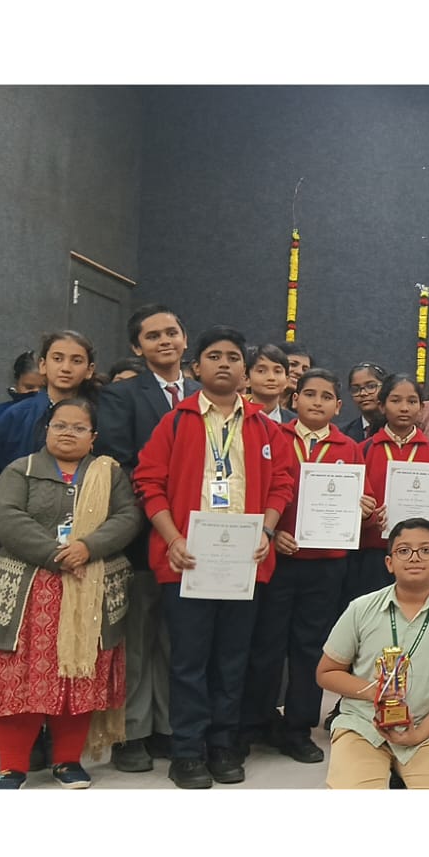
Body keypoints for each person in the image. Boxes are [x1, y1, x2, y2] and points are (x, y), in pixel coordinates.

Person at [132, 325, 296, 788]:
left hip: (244, 561)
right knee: (188, 661)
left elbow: (282, 483)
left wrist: (267, 529)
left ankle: (224, 745)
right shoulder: (176, 422)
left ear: (245, 371)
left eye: (233, 357)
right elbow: (148, 483)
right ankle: (187, 751)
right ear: (196, 367)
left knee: (232, 659)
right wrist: (172, 539)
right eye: (214, 356)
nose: (224, 363)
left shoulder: (265, 427)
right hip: (188, 560)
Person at [0, 397, 142, 789]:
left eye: (79, 427)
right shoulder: (21, 470)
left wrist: (88, 547)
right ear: (46, 430)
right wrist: (55, 554)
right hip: (27, 593)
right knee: (18, 680)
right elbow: (4, 516)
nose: (68, 433)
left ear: (93, 437)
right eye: (60, 425)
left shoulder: (108, 474)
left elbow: (127, 517)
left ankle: (68, 761)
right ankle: (12, 767)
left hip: (88, 588)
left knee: (78, 677)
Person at [241, 368, 368, 764]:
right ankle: (258, 722)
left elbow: (362, 499)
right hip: (278, 559)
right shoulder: (274, 437)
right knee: (266, 646)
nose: (317, 402)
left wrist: (362, 508)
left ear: (338, 406)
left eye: (326, 396)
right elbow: (261, 492)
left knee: (310, 649)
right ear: (294, 399)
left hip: (326, 566)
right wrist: (274, 532)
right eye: (310, 394)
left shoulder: (349, 447)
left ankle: (298, 728)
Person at [95, 303, 194, 773]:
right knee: (137, 639)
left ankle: (169, 727)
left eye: (171, 332)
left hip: (196, 538)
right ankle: (132, 732)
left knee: (178, 640)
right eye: (153, 336)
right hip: (143, 533)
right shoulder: (121, 396)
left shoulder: (203, 394)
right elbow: (120, 460)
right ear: (137, 347)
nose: (165, 341)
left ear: (185, 338)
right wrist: (168, 505)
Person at [316, 518, 429, 789]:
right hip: (363, 726)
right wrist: (375, 692)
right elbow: (326, 672)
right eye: (404, 551)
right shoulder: (361, 608)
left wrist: (420, 733)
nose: (414, 557)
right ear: (389, 563)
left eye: (425, 550)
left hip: (428, 728)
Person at [351, 374, 429, 599]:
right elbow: (355, 503)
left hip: (421, 554)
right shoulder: (364, 450)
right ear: (381, 406)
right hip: (375, 553)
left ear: (421, 408)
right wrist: (368, 516)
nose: (404, 408)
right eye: (396, 400)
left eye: (412, 401)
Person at [0, 330, 99, 485]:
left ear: (89, 370)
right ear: (43, 365)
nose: (66, 368)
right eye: (57, 359)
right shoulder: (15, 416)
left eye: (76, 361)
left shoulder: (101, 415)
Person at [0, 350, 46, 425]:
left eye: (44, 388)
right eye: (29, 387)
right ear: (16, 382)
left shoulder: (56, 417)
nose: (37, 393)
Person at [340, 362, 388, 443]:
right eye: (356, 389)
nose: (363, 393)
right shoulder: (343, 435)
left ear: (386, 388)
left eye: (371, 386)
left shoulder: (399, 429)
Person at [243, 343, 290, 423]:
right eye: (261, 371)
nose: (271, 378)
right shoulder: (235, 419)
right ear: (247, 379)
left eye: (277, 371)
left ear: (287, 380)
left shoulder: (296, 423)